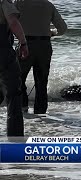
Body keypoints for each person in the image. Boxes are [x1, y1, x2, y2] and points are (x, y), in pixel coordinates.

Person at [14, 0, 67, 114]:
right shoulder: (48, 5)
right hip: (44, 46)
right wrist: (52, 33)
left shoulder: (19, 3)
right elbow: (62, 28)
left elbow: (11, 23)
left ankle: (23, 109)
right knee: (41, 82)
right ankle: (41, 114)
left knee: (19, 79)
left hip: (25, 45)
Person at [0, 0, 28, 136]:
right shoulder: (4, 3)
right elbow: (13, 22)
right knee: (13, 94)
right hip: (2, 52)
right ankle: (15, 137)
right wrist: (23, 43)